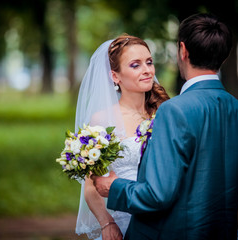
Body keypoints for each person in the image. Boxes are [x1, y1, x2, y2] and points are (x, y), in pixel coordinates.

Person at [91, 13, 238, 240]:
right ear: (225, 55)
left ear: (183, 50)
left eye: (149, 62)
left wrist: (114, 188)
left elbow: (158, 194)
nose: (147, 70)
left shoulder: (172, 110)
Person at [74, 34, 170, 239]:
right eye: (135, 65)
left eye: (149, 62)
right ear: (115, 76)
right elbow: (91, 186)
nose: (147, 70)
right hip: (124, 222)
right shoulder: (102, 120)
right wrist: (107, 223)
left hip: (166, 219)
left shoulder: (165, 113)